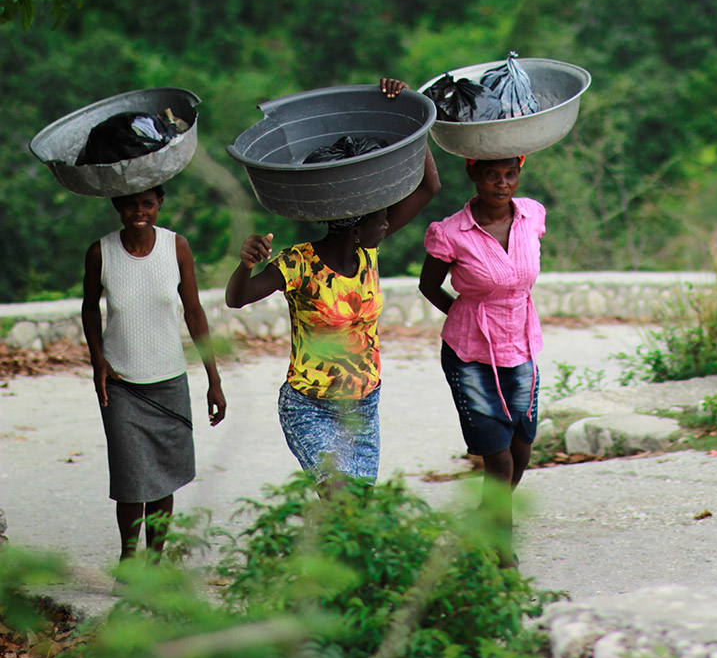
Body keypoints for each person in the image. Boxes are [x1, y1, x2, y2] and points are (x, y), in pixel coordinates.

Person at [224, 78, 440, 485]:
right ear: (356, 228)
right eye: (381, 217)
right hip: (310, 405)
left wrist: (409, 125)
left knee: (355, 515)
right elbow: (238, 299)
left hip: (363, 406)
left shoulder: (367, 251)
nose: (387, 222)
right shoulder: (298, 264)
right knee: (338, 496)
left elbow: (430, 186)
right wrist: (244, 265)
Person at [81, 185, 226, 561]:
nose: (139, 211)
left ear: (160, 204)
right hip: (121, 384)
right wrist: (98, 359)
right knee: (131, 483)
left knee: (163, 478)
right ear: (117, 206)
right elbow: (89, 309)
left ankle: (156, 562)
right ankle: (129, 561)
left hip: (169, 381)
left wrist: (214, 379)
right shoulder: (101, 252)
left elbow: (194, 313)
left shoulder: (176, 248)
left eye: (147, 203)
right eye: (130, 204)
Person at [419, 155, 542, 566]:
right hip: (470, 354)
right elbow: (428, 284)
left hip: (521, 346)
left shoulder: (532, 216)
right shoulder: (451, 233)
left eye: (510, 174)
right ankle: (503, 557)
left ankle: (486, 519)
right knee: (499, 457)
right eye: (491, 174)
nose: (502, 184)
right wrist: (464, 315)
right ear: (473, 174)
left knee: (522, 451)